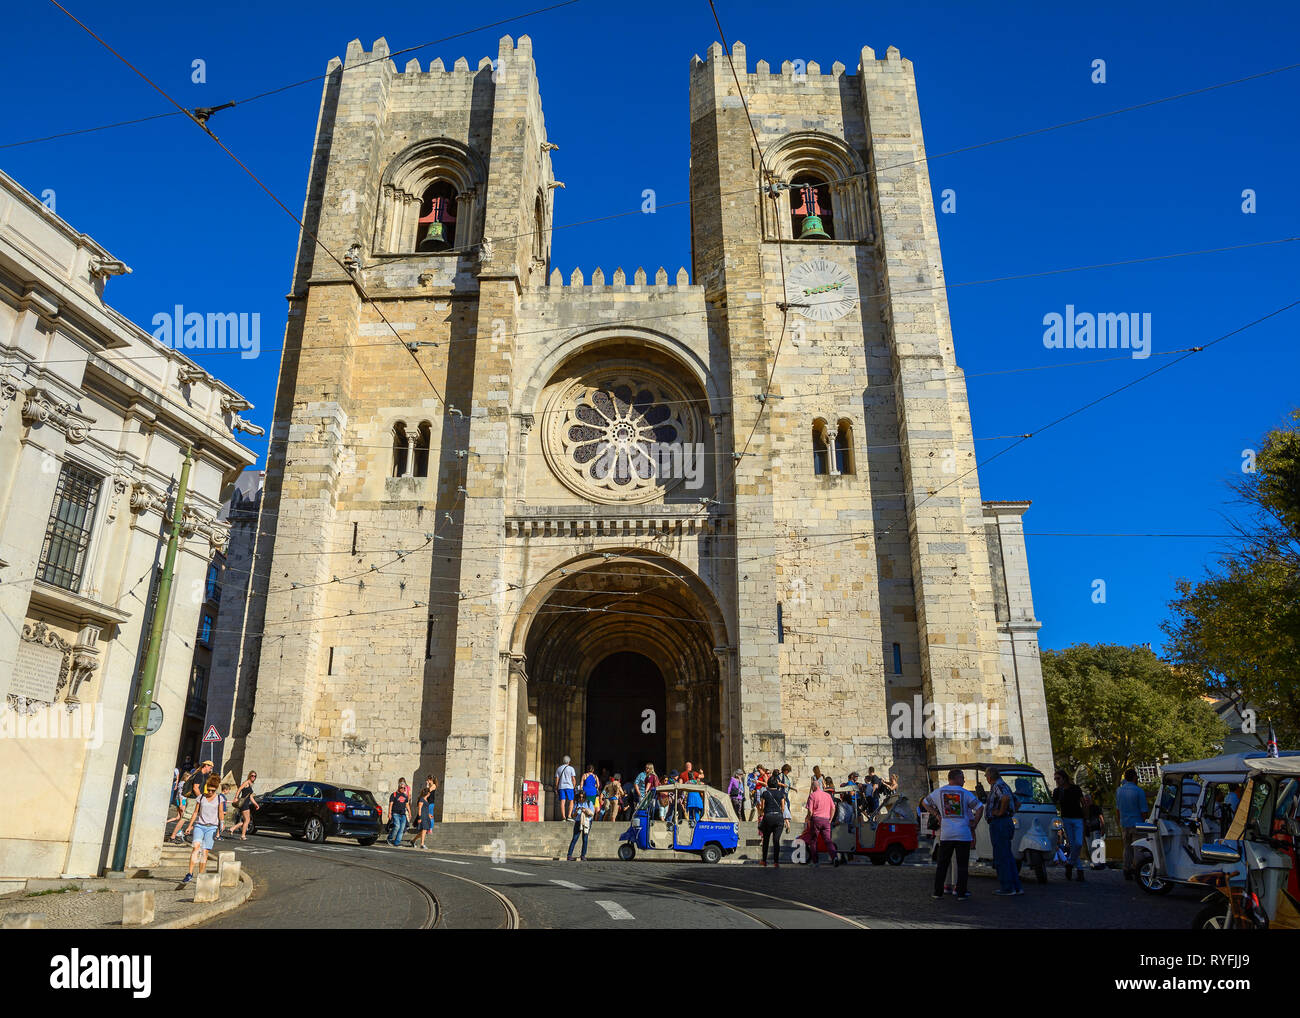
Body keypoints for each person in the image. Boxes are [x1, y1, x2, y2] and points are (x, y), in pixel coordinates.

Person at [922, 768, 983, 900]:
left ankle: (937, 892)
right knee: (962, 865)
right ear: (956, 778)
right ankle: (961, 892)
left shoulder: (939, 792)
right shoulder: (965, 793)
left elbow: (925, 802)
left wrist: (937, 814)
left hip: (946, 833)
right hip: (963, 833)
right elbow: (979, 807)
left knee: (942, 864)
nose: (964, 780)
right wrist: (975, 823)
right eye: (962, 778)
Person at [984, 766, 1022, 896]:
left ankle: (1007, 887)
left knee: (1001, 856)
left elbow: (1005, 798)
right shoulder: (1005, 785)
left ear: (989, 777)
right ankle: (1016, 886)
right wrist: (1010, 813)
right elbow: (1017, 803)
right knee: (1008, 856)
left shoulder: (997, 786)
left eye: (986, 776)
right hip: (1006, 821)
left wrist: (1000, 812)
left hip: (999, 823)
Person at [182, 776, 223, 885]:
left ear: (216, 789)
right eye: (208, 789)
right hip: (199, 825)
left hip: (212, 827)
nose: (210, 792)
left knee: (204, 852)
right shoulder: (200, 797)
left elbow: (220, 814)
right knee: (196, 848)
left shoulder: (219, 798)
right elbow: (196, 812)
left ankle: (201, 875)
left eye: (212, 790)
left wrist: (221, 826)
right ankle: (189, 873)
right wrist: (189, 826)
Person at [1115, 769, 1149, 881]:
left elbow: (1118, 809)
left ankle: (1126, 868)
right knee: (1138, 848)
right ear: (1134, 777)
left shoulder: (1119, 791)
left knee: (1127, 848)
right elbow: (1144, 810)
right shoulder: (1139, 791)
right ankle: (1137, 869)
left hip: (1125, 823)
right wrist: (1145, 822)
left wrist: (1120, 821)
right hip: (1137, 822)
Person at [1053, 770, 1086, 882]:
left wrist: (1086, 817)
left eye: (1058, 778)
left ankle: (1070, 864)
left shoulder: (1075, 788)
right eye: (1055, 779)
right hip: (1066, 819)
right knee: (1072, 844)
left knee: (1078, 843)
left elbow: (1083, 802)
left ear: (1064, 778)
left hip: (1078, 818)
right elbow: (1053, 804)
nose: (1057, 781)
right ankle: (1080, 870)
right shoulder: (1057, 791)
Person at [805, 776, 841, 867]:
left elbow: (810, 811)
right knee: (828, 841)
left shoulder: (812, 795)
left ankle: (815, 862)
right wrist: (831, 819)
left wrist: (808, 819)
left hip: (816, 819)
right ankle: (835, 857)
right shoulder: (828, 795)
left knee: (813, 841)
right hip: (826, 820)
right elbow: (833, 808)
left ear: (814, 787)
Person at [757, 775, 786, 868]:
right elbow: (783, 807)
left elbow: (762, 807)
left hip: (768, 817)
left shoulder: (765, 793)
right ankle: (776, 862)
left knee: (766, 840)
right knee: (776, 840)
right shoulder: (781, 793)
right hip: (778, 817)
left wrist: (761, 813)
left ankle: (764, 861)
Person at [230, 771, 258, 841]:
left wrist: (256, 804)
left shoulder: (250, 784)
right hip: (244, 804)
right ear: (249, 776)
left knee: (246, 820)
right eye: (252, 775)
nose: (253, 777)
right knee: (247, 820)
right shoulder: (246, 782)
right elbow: (239, 789)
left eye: (255, 776)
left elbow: (250, 797)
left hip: (246, 803)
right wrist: (236, 797)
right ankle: (242, 835)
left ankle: (233, 828)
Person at [1083, 787, 1107, 869]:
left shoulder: (1096, 807)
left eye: (1088, 800)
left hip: (1096, 828)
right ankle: (1095, 862)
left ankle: (1098, 863)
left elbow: (1101, 818)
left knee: (1096, 846)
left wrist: (1103, 827)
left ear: (1090, 800)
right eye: (1085, 800)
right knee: (1090, 848)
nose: (1087, 801)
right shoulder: (1083, 809)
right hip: (1087, 831)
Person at [567, 791, 595, 861]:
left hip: (587, 822)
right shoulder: (576, 804)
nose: (581, 798)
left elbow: (592, 814)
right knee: (574, 838)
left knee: (585, 839)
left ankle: (583, 855)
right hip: (578, 822)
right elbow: (573, 816)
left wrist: (585, 811)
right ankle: (569, 855)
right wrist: (576, 811)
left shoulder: (589, 803)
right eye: (580, 797)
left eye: (582, 797)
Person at [388, 778, 412, 847]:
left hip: (403, 814)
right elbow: (391, 804)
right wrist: (389, 813)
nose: (403, 789)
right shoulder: (394, 795)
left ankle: (396, 842)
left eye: (404, 788)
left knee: (401, 829)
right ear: (399, 787)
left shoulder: (405, 796)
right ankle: (390, 838)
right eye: (401, 788)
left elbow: (407, 804)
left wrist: (410, 813)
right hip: (395, 813)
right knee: (397, 826)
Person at [555, 755, 576, 821]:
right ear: (569, 761)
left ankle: (563, 817)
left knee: (562, 801)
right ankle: (569, 816)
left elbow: (557, 780)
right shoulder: (571, 768)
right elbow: (573, 779)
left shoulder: (559, 768)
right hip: (569, 786)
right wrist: (574, 787)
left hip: (561, 787)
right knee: (571, 801)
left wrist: (556, 788)